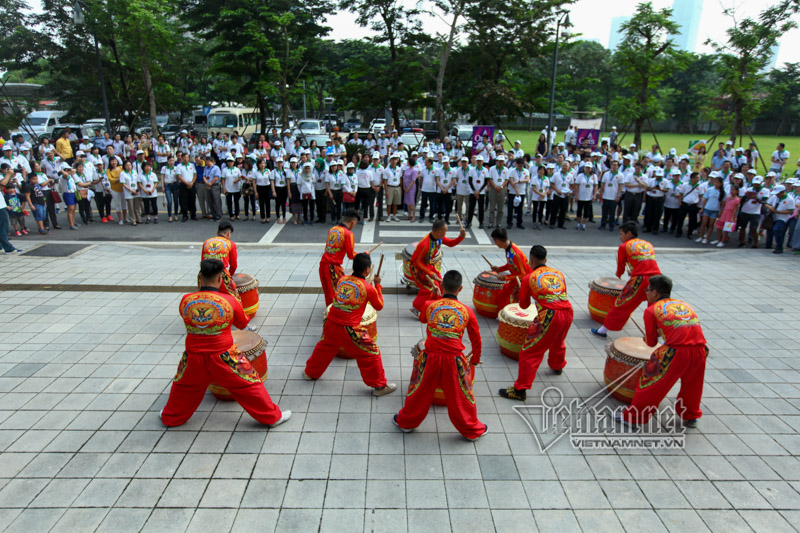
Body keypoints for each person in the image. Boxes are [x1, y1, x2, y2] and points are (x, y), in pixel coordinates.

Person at [161, 259, 290, 428]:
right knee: (249, 384)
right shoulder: (230, 301)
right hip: (224, 356)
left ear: (200, 277)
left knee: (184, 386)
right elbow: (243, 323)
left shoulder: (186, 300)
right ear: (220, 278)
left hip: (193, 356)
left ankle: (171, 418)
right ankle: (272, 418)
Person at [393, 270, 487, 441]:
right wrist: (475, 359)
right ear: (460, 289)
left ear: (441, 286)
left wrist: (434, 297)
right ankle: (472, 430)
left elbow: (422, 318)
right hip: (455, 359)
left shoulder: (430, 305)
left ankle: (406, 423)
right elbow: (476, 339)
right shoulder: (467, 311)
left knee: (418, 390)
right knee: (462, 395)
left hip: (430, 357)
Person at [615, 275, 707, 427]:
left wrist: (648, 337)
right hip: (701, 350)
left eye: (647, 290)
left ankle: (632, 418)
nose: (645, 293)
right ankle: (690, 416)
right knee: (693, 385)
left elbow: (651, 343)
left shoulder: (651, 310)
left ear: (655, 293)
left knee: (650, 384)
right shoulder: (684, 305)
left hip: (676, 353)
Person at [304, 253, 396, 396]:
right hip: (349, 329)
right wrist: (377, 285)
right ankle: (379, 386)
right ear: (367, 270)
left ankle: (310, 373)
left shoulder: (342, 280)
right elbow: (379, 305)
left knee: (325, 347)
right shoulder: (368, 288)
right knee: (372, 353)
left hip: (331, 322)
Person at [499, 245, 573, 400]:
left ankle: (520, 390)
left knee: (530, 352)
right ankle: (557, 365)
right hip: (567, 312)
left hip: (549, 315)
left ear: (531, 260)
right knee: (558, 340)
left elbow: (524, 305)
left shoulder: (528, 278)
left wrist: (524, 293)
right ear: (546, 259)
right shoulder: (558, 273)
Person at [592, 221, 661, 338]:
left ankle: (603, 331)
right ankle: (657, 332)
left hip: (640, 280)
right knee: (655, 308)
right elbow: (646, 263)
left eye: (621, 234)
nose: (620, 237)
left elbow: (621, 265)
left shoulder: (624, 246)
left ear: (629, 233)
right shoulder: (648, 244)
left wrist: (619, 274)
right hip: (657, 279)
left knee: (621, 303)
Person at [410, 219, 466, 316]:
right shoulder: (424, 244)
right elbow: (417, 262)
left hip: (428, 265)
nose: (446, 233)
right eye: (445, 231)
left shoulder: (439, 238)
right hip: (418, 269)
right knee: (431, 288)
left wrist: (460, 237)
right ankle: (416, 307)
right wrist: (431, 274)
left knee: (440, 284)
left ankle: (437, 305)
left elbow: (451, 243)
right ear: (440, 231)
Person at [319, 209, 359, 306]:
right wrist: (363, 255)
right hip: (332, 268)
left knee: (328, 293)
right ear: (353, 222)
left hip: (323, 265)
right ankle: (334, 317)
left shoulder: (332, 229)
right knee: (338, 293)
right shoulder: (348, 234)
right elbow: (351, 255)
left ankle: (330, 314)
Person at [488, 228, 533, 311]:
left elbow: (523, 274)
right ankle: (503, 316)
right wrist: (499, 269)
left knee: (507, 296)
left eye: (494, 241)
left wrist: (506, 277)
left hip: (523, 280)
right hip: (516, 277)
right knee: (503, 294)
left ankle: (505, 317)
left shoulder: (516, 254)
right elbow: (511, 264)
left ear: (497, 241)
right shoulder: (509, 249)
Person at [201, 221, 239, 297]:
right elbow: (234, 265)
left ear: (217, 232)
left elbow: (203, 261)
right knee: (233, 297)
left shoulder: (206, 242)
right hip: (221, 275)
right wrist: (229, 277)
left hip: (205, 275)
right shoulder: (230, 244)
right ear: (228, 234)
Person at [766, 185, 795, 254]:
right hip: (773, 217)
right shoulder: (774, 197)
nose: (777, 195)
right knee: (770, 230)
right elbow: (767, 204)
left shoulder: (790, 199)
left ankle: (779, 246)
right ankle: (768, 245)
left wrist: (779, 212)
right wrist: (770, 208)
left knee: (776, 229)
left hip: (783, 218)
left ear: (783, 192)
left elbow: (791, 211)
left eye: (778, 193)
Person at [177, 152, 197, 222]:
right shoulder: (179, 166)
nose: (186, 159)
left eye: (187, 157)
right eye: (184, 157)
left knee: (192, 199)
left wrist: (191, 183)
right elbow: (179, 176)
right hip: (183, 185)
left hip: (192, 184)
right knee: (183, 200)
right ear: (182, 158)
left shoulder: (192, 165)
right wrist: (187, 183)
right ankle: (185, 215)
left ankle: (193, 214)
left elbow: (195, 175)